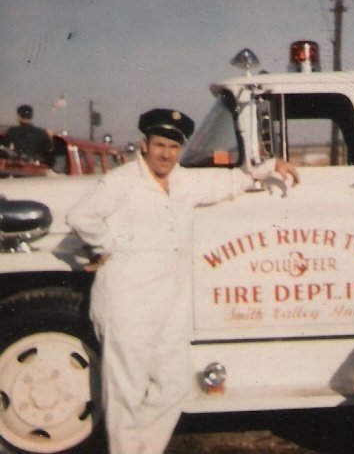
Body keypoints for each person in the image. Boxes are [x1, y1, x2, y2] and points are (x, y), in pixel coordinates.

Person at [66, 108, 299, 454]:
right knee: (125, 393)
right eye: (159, 145)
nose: (165, 154)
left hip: (169, 305)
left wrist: (269, 167)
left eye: (173, 148)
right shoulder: (122, 182)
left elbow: (230, 182)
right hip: (127, 303)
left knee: (175, 387)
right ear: (144, 145)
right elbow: (80, 216)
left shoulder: (184, 181)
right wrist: (108, 245)